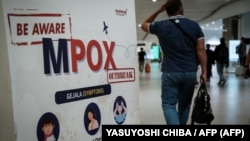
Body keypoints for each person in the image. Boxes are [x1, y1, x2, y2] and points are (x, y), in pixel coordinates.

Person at [141, 0, 207, 125]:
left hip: (170, 71)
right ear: (181, 9)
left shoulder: (161, 26)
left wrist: (158, 10)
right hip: (190, 72)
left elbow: (144, 24)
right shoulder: (194, 26)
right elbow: (201, 50)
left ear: (166, 11)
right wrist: (204, 71)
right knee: (185, 105)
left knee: (169, 105)